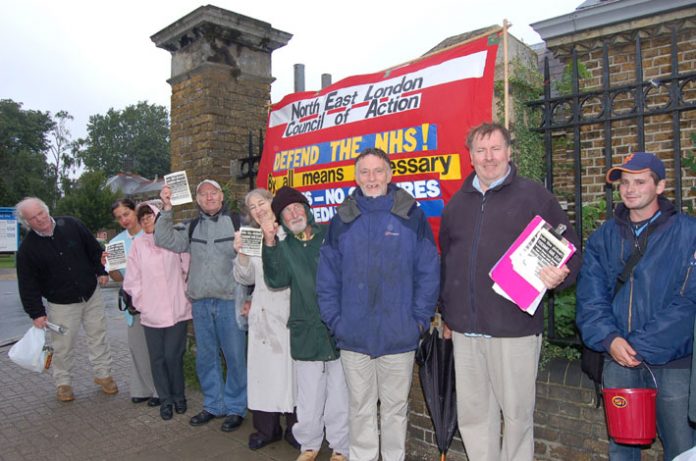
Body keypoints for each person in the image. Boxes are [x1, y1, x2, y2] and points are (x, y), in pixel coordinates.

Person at [439, 122, 581, 461]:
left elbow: (570, 249)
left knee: (517, 418)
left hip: (514, 329)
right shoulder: (457, 204)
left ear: (509, 152)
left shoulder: (534, 197)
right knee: (474, 417)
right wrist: (446, 313)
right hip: (466, 331)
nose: (489, 157)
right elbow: (447, 261)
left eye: (496, 149)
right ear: (470, 156)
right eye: (481, 150)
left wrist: (559, 273)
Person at [317, 148, 440, 461]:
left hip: (399, 335)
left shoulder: (411, 215)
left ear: (389, 174)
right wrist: (336, 322)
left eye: (377, 171)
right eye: (364, 172)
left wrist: (418, 321)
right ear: (356, 177)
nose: (371, 178)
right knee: (359, 410)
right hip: (354, 336)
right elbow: (327, 277)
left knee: (396, 411)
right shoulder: (343, 218)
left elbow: (428, 271)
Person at [576, 152, 696, 460]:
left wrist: (638, 345)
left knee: (683, 449)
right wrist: (610, 340)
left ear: (660, 187)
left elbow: (688, 302)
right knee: (622, 451)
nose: (630, 189)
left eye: (640, 182)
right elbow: (590, 297)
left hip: (674, 364)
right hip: (618, 361)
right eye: (624, 183)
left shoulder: (688, 233)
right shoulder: (604, 236)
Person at [261, 186, 349, 461]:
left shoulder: (330, 236)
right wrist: (269, 240)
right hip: (306, 330)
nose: (294, 213)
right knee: (309, 396)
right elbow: (276, 279)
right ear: (282, 220)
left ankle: (340, 447)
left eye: (298, 207)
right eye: (287, 211)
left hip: (338, 329)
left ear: (307, 209)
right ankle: (309, 446)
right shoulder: (283, 247)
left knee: (340, 394)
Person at [155, 179, 247, 432]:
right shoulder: (191, 226)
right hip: (200, 303)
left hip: (230, 302)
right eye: (203, 194)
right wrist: (166, 208)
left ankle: (236, 407)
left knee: (235, 357)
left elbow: (253, 261)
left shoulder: (239, 223)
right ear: (197, 200)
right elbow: (163, 239)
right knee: (206, 357)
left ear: (221, 196)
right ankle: (213, 405)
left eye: (213, 193)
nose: (209, 197)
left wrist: (250, 297)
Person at [15, 197, 118, 402]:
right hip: (61, 304)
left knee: (98, 336)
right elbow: (27, 285)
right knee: (62, 346)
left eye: (41, 213)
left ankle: (103, 375)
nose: (40, 219)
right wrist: (36, 313)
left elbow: (93, 249)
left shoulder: (71, 224)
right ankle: (63, 383)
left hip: (91, 294)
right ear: (27, 223)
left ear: (47, 210)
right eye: (33, 218)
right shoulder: (27, 250)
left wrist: (101, 271)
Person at [233, 188, 298, 450]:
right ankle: (266, 429)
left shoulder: (289, 232)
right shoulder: (250, 236)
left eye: (262, 203)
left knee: (292, 373)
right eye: (252, 207)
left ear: (272, 203)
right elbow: (244, 278)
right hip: (262, 312)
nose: (258, 209)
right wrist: (241, 253)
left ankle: (297, 428)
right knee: (263, 374)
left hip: (289, 309)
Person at [124, 203, 192, 421]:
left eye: (150, 217)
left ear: (159, 217)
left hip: (177, 310)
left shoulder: (173, 239)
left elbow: (187, 268)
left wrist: (184, 292)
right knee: (158, 358)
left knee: (174, 356)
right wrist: (143, 303)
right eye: (142, 218)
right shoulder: (138, 245)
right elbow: (132, 280)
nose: (146, 221)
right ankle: (166, 399)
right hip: (151, 313)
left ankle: (179, 395)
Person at [105, 198, 159, 407]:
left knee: (156, 347)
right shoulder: (117, 242)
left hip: (156, 299)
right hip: (134, 303)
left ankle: (158, 389)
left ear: (135, 210)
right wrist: (110, 268)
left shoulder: (151, 233)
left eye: (126, 214)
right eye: (119, 218)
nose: (124, 220)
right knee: (138, 347)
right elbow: (119, 278)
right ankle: (142, 388)